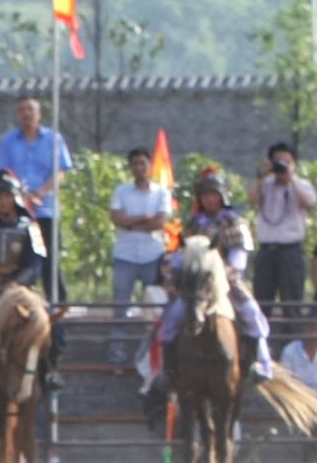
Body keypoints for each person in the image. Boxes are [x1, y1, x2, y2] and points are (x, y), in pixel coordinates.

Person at [158, 169, 274, 385]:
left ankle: (261, 363)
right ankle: (167, 369)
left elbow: (239, 255)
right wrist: (172, 276)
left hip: (227, 281)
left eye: (213, 194)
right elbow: (181, 255)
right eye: (205, 195)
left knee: (251, 312)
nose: (209, 199)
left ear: (222, 196)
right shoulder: (194, 224)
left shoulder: (234, 222)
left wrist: (225, 274)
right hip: (196, 284)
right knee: (172, 317)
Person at [0, 170, 62, 391]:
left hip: (20, 290)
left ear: (15, 199)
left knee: (46, 320)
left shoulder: (29, 228)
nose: (3, 202)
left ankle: (48, 370)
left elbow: (36, 264)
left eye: (7, 196)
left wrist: (18, 283)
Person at [0, 95, 73, 300]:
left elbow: (60, 171)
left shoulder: (53, 139)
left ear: (39, 114)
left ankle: (57, 312)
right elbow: (4, 173)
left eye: (31, 110)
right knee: (20, 264)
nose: (26, 114)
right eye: (22, 110)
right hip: (18, 213)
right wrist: (20, 196)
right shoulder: (8, 141)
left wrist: (39, 194)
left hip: (45, 209)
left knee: (50, 264)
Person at [107, 147, 173, 366]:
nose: (138, 168)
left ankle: (157, 352)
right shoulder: (121, 191)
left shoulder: (161, 192)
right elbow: (116, 219)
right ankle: (116, 351)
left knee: (156, 306)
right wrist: (143, 219)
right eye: (134, 163)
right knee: (120, 305)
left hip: (153, 255)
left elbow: (159, 223)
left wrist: (131, 223)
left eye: (142, 163)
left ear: (149, 166)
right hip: (125, 255)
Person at [247, 141, 314, 313]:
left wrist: (291, 178)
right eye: (278, 161)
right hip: (267, 250)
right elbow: (251, 199)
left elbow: (310, 202)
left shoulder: (302, 185)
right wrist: (262, 176)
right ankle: (262, 339)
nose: (282, 165)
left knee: (292, 302)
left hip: (291, 251)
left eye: (287, 161)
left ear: (294, 164)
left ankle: (292, 338)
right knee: (262, 301)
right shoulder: (265, 185)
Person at [280, 304, 317, 390]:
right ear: (305, 328)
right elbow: (285, 382)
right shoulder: (290, 351)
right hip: (297, 399)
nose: (315, 333)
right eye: (312, 328)